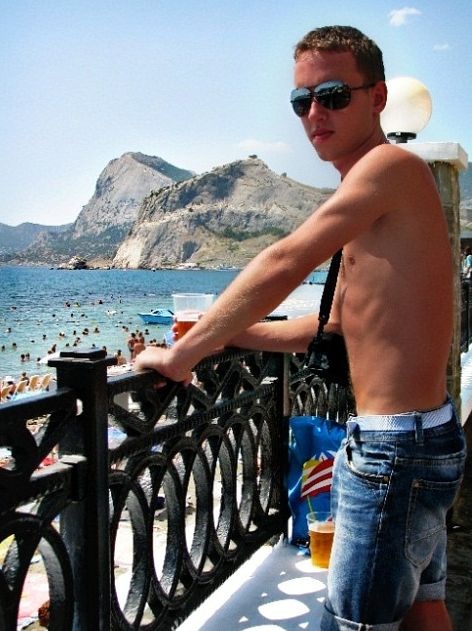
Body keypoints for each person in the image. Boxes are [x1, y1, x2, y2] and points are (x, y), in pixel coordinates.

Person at [135, 25, 466, 631]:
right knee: (423, 609)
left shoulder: (389, 166)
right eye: (301, 100)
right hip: (420, 438)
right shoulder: (373, 188)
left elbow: (285, 260)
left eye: (333, 95)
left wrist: (185, 353)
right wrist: (227, 334)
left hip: (395, 450)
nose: (315, 113)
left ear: (378, 97)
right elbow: (332, 324)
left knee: (356, 622)